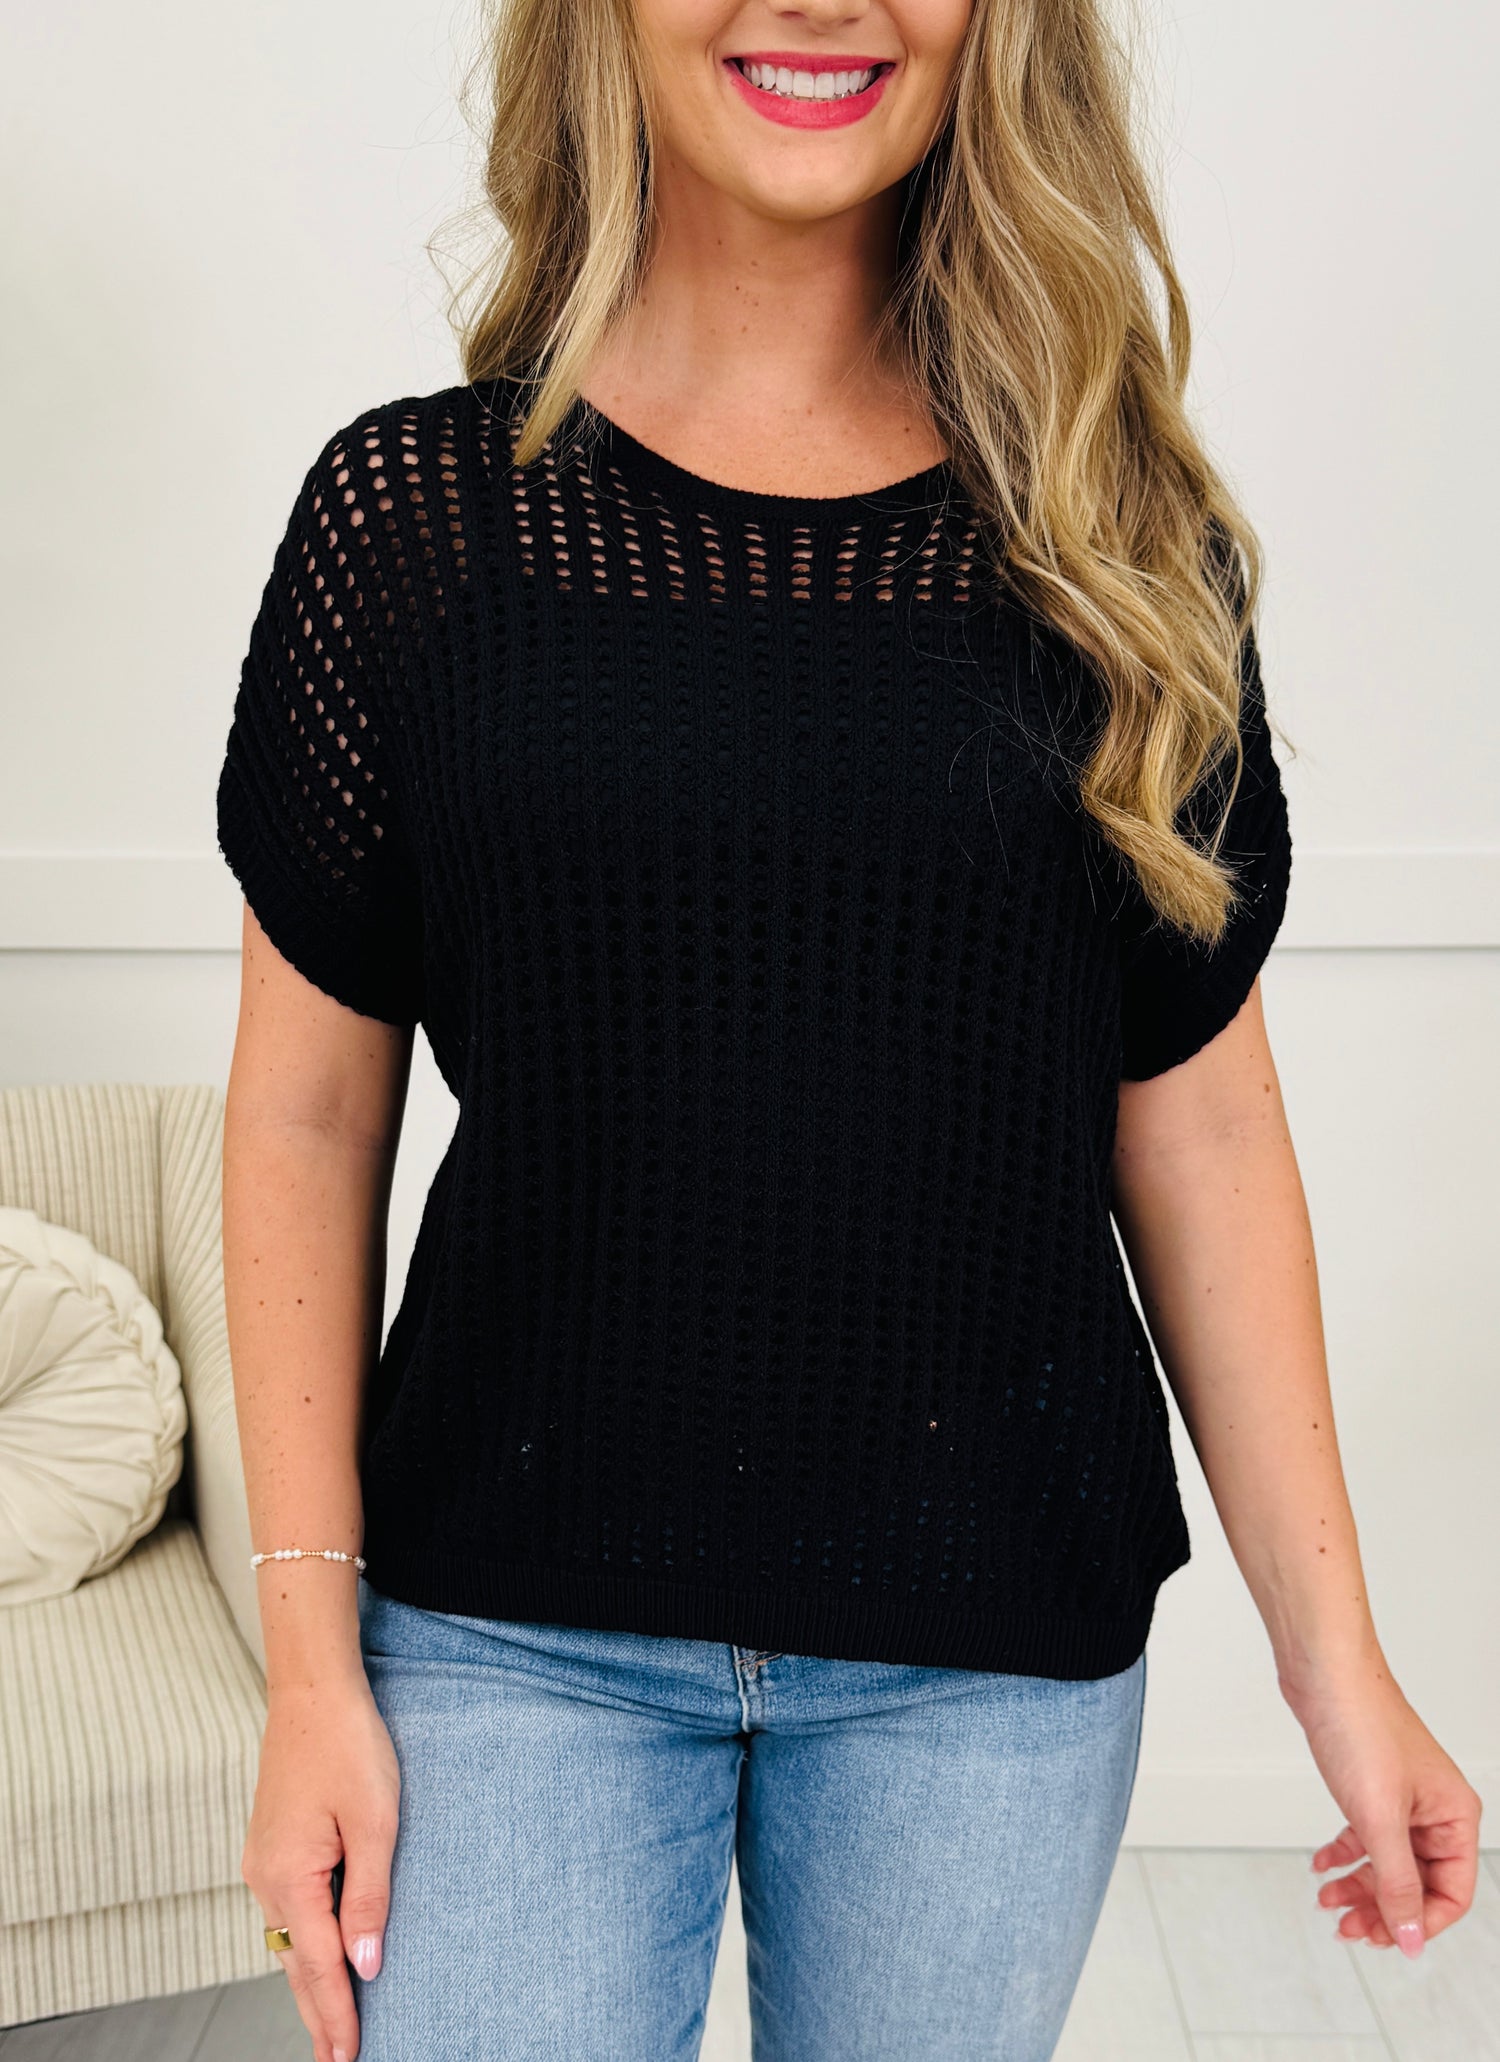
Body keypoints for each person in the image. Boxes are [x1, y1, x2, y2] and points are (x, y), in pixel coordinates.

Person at [215, 2, 1482, 2058]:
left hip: (987, 1658)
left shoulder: (1118, 545)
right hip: (505, 1634)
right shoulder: (419, 522)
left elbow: (1202, 1132)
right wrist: (304, 1662)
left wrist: (1338, 1666)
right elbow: (301, 1120)